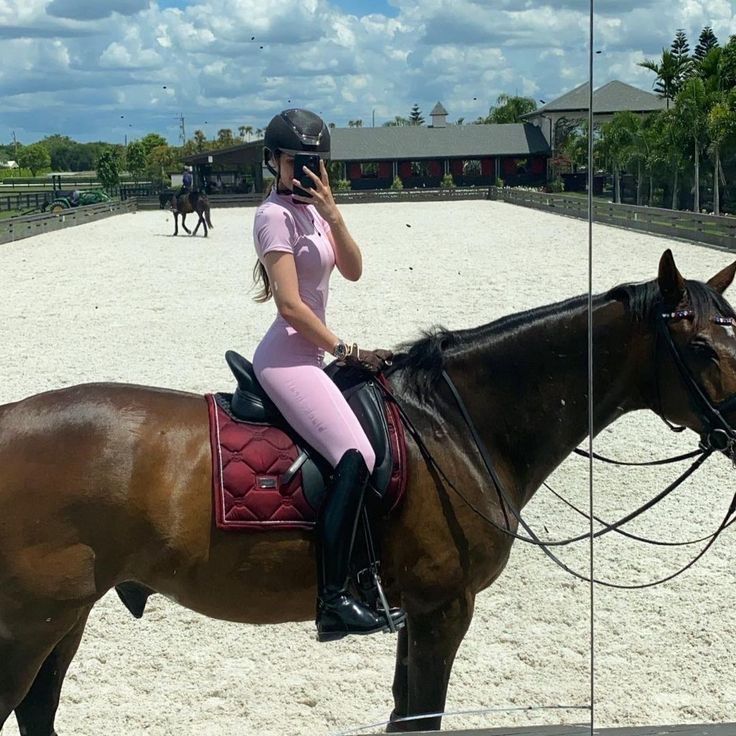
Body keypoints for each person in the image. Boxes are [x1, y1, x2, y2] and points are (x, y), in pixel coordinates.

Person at [251, 108, 406, 642]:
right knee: (356, 455)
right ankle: (333, 598)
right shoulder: (273, 215)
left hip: (312, 356)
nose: (305, 170)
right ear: (273, 161)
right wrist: (346, 349)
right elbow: (291, 307)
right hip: (287, 359)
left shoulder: (315, 212)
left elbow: (356, 269)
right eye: (296, 161)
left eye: (314, 161)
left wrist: (334, 213)